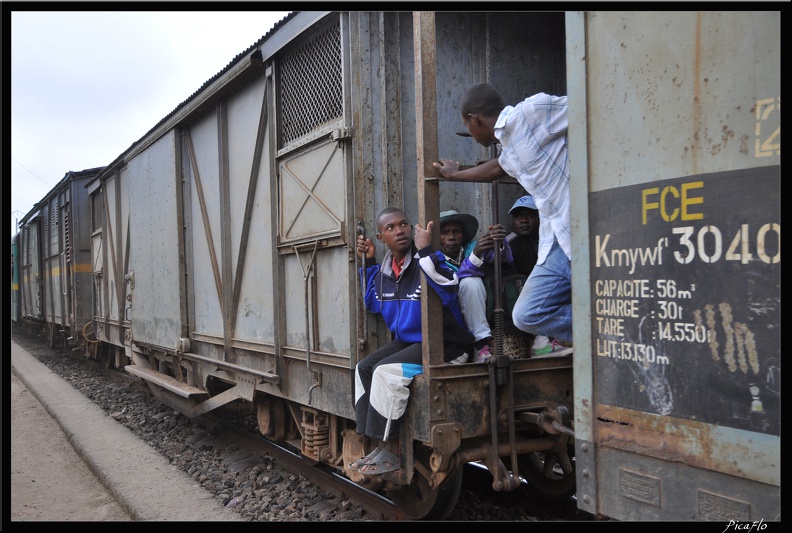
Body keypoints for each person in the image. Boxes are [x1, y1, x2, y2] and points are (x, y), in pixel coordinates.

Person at [433, 82, 572, 355]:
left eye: (468, 128)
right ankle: (606, 327)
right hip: (556, 242)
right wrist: (455, 175)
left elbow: (588, 107)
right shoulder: (508, 149)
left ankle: (615, 327)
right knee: (528, 315)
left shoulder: (532, 111)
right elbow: (497, 168)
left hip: (584, 232)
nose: (472, 137)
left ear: (475, 119)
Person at [350, 207, 474, 475]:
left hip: (446, 344)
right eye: (391, 228)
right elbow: (372, 302)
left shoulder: (428, 260)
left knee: (386, 372)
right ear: (381, 237)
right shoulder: (385, 272)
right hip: (411, 342)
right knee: (363, 368)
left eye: (403, 224)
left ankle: (391, 451)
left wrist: (426, 249)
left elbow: (449, 285)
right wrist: (369, 262)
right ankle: (374, 441)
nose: (400, 230)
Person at [458, 195, 541, 361]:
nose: (524, 220)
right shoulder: (509, 242)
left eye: (530, 215)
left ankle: (543, 340)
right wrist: (492, 246)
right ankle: (481, 346)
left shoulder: (547, 241)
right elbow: (494, 259)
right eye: (518, 216)